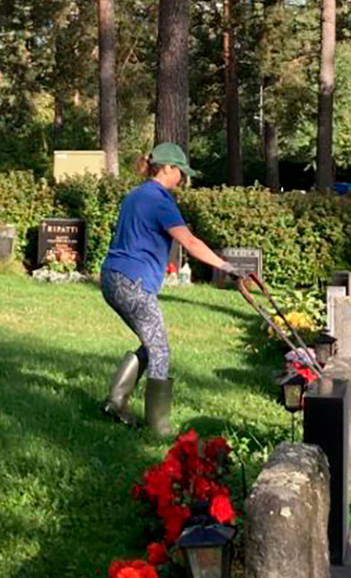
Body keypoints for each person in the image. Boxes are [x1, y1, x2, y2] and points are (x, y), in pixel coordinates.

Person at [98, 142, 260, 432]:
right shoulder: (160, 200)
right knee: (160, 349)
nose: (183, 179)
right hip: (132, 282)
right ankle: (157, 426)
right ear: (168, 169)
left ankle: (117, 400)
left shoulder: (135, 195)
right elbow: (190, 242)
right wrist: (227, 267)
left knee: (152, 342)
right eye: (180, 172)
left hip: (112, 277)